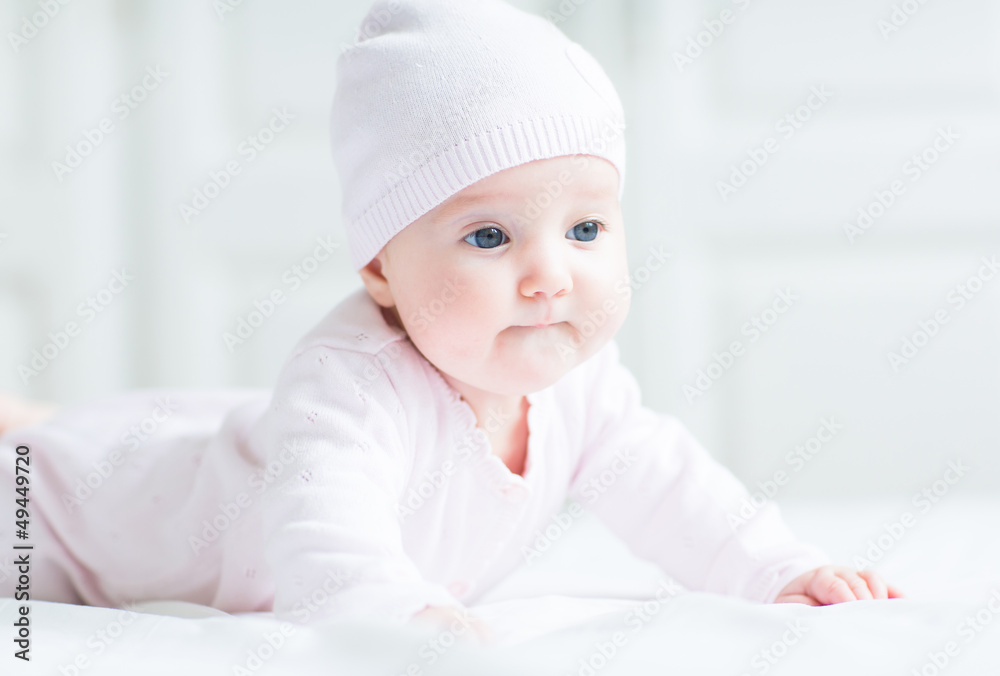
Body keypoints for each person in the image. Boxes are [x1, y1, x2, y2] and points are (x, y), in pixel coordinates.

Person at [0, 0, 900, 639]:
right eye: (488, 235)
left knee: (207, 436)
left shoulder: (578, 381)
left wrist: (777, 569)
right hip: (74, 518)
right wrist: (395, 619)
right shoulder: (348, 384)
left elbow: (671, 486)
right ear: (381, 270)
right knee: (62, 483)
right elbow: (326, 534)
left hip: (219, 446)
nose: (551, 275)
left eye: (586, 227)